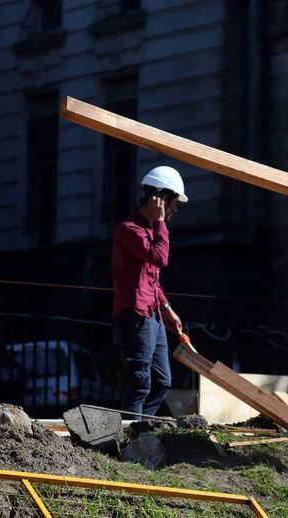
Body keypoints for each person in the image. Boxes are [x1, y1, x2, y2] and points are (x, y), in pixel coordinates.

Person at [111, 166, 186, 418]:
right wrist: (160, 222)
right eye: (174, 203)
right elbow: (160, 259)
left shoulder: (151, 230)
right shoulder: (129, 230)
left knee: (162, 381)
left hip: (152, 314)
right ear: (161, 200)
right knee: (140, 383)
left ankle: (142, 427)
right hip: (134, 315)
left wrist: (166, 308)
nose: (175, 211)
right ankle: (130, 435)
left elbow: (152, 279)